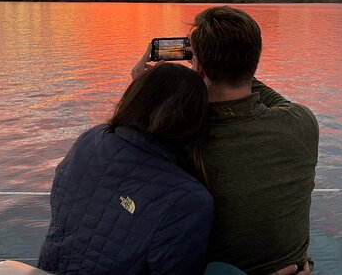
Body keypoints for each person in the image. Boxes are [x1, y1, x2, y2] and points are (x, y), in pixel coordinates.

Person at [37, 62, 214, 275]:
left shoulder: (90, 140)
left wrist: (144, 84)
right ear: (195, 120)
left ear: (135, 100)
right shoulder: (189, 200)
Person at [188, 6, 319, 275]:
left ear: (198, 65)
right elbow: (271, 98)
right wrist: (234, 57)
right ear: (255, 60)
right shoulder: (301, 125)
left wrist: (149, 88)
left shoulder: (180, 140)